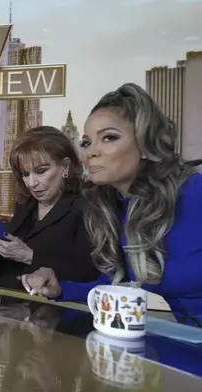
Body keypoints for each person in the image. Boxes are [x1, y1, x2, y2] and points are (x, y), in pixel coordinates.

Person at [21, 83, 202, 326]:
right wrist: (60, 288)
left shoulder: (194, 193)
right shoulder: (114, 207)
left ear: (146, 144)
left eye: (108, 137)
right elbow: (115, 285)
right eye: (86, 143)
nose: (91, 152)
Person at [0, 126, 99, 289]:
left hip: (44, 304)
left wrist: (29, 256)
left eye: (41, 171)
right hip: (2, 294)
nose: (31, 183)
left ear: (65, 166)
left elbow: (89, 272)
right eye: (25, 174)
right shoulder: (25, 204)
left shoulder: (86, 207)